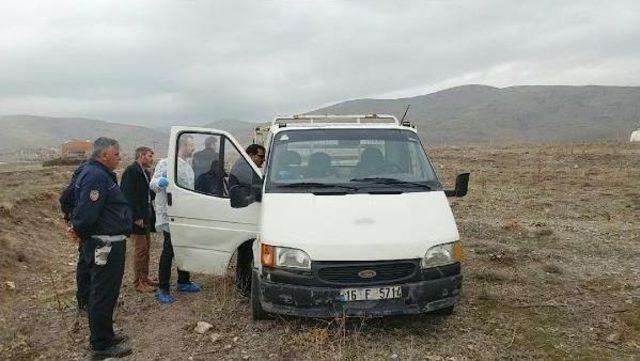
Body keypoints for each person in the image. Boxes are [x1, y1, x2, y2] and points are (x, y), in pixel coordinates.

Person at [71, 137, 132, 359]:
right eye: (116, 154)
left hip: (107, 241)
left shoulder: (94, 173)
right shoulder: (96, 176)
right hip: (104, 243)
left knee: (107, 292)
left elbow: (68, 199)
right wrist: (81, 231)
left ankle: (106, 335)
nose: (119, 158)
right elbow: (87, 214)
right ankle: (100, 346)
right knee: (102, 294)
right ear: (104, 155)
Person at [150, 135, 201, 305]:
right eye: (191, 146)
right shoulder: (166, 163)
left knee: (183, 249)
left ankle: (183, 281)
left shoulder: (187, 166)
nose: (193, 149)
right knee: (168, 251)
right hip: (171, 214)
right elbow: (153, 183)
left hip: (185, 215)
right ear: (182, 146)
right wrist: (161, 182)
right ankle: (163, 288)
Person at [120, 146, 156, 293]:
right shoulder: (131, 172)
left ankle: (145, 277)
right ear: (141, 156)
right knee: (140, 250)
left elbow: (147, 194)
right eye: (149, 156)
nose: (151, 159)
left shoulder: (145, 172)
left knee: (146, 249)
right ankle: (138, 282)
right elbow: (128, 196)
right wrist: (136, 217)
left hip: (146, 215)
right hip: (137, 218)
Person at [59, 161, 89, 312]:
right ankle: (84, 301)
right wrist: (73, 221)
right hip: (83, 227)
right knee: (85, 263)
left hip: (82, 224)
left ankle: (87, 299)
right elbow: (65, 199)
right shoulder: (87, 172)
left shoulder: (87, 171)